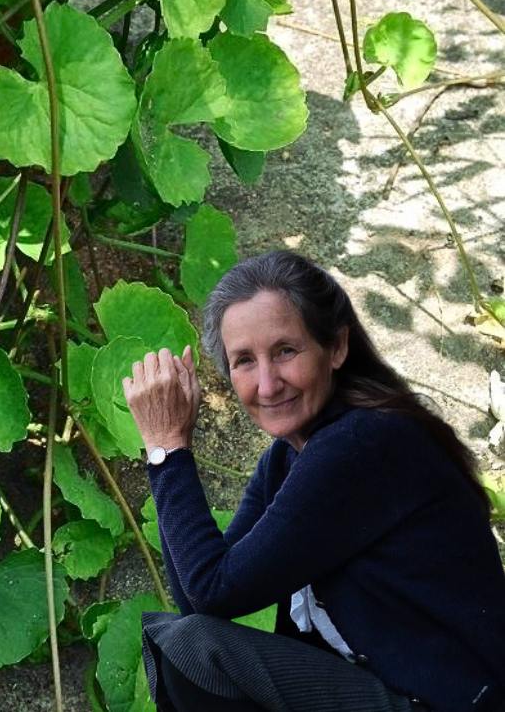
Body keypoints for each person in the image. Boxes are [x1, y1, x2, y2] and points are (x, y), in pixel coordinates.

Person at [122, 250, 505, 712]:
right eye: (244, 361)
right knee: (190, 645)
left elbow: (209, 595)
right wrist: (165, 450)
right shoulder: (287, 459)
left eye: (285, 351)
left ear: (337, 347)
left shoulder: (364, 444)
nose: (266, 384)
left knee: (199, 649)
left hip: (448, 701)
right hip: (382, 684)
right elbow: (201, 601)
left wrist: (168, 447)